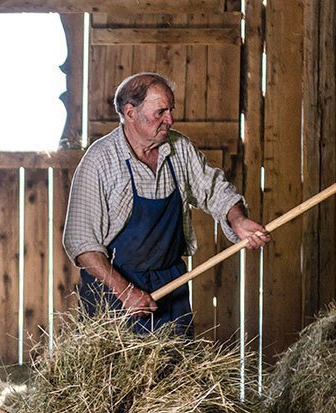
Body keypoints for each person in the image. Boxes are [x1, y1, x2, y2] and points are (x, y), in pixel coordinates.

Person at [63, 72, 270, 336]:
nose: (170, 120)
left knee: (176, 370)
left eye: (170, 110)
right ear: (130, 112)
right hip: (112, 295)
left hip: (169, 286)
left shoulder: (179, 149)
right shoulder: (99, 161)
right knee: (118, 375)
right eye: (160, 112)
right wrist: (125, 292)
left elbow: (215, 190)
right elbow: (82, 244)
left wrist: (238, 219)